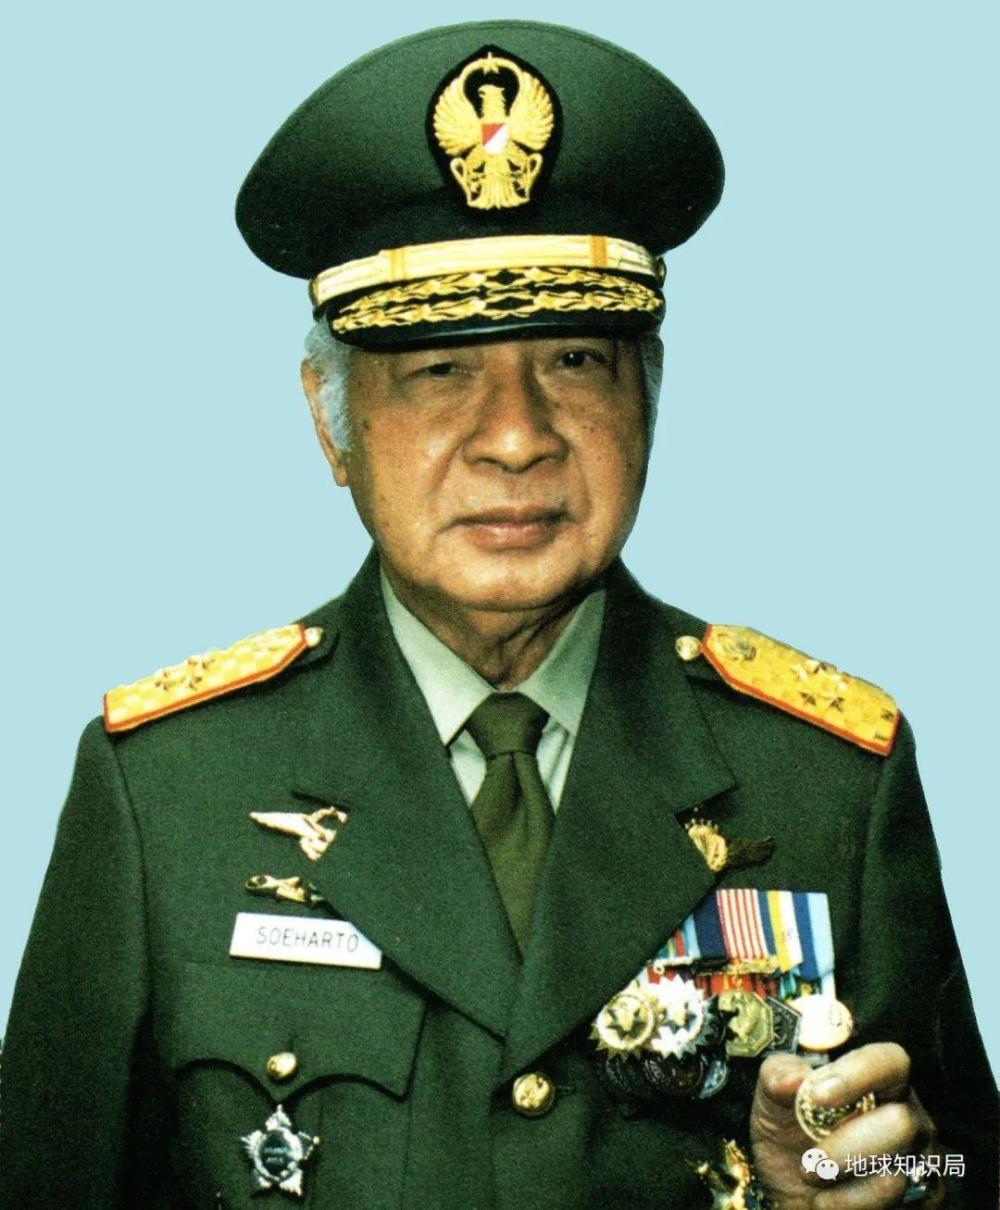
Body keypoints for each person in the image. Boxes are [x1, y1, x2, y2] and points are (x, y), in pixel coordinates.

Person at [1, 19, 996, 1209]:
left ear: (649, 397)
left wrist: (875, 1185)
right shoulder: (166, 791)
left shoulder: (827, 781)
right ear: (329, 422)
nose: (516, 437)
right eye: (439, 372)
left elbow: (957, 1168)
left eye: (574, 360)